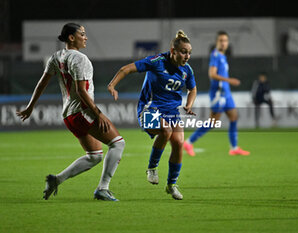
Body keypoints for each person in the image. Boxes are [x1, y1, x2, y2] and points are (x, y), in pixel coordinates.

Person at [16, 23, 125, 201]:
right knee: (118, 144)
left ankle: (56, 180)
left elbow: (42, 83)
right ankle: (102, 189)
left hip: (68, 115)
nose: (86, 37)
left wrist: (30, 106)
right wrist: (98, 114)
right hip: (83, 112)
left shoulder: (56, 57)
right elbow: (81, 91)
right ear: (71, 38)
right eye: (82, 34)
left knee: (94, 156)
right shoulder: (80, 59)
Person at [107, 30, 196, 200]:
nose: (187, 56)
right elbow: (126, 69)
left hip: (171, 112)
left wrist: (189, 104)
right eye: (184, 52)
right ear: (173, 51)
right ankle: (152, 168)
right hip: (149, 109)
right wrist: (112, 85)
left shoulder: (187, 70)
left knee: (178, 143)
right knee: (166, 130)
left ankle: (171, 184)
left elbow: (193, 89)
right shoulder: (157, 61)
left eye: (189, 53)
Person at [183, 31, 250, 156]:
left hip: (226, 94)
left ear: (228, 43)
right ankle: (189, 142)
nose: (223, 43)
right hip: (218, 94)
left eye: (225, 40)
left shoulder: (222, 56)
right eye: (221, 40)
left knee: (234, 117)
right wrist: (230, 80)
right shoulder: (215, 55)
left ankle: (234, 148)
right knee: (213, 122)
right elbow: (212, 74)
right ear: (216, 42)